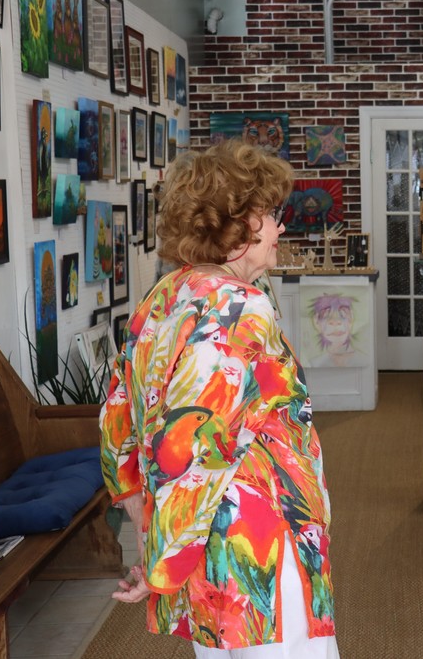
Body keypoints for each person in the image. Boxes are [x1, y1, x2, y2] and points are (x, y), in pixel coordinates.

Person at [99, 139, 338, 658]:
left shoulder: (166, 295)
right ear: (241, 222)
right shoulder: (241, 307)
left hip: (204, 546)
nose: (279, 229)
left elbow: (118, 415)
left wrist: (148, 528)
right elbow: (198, 447)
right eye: (272, 215)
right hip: (258, 547)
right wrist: (162, 562)